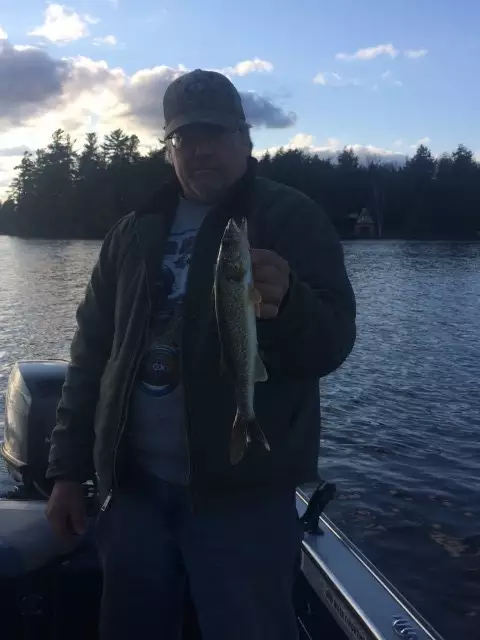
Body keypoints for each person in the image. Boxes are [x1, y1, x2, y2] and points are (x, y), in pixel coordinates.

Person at [45, 69, 356, 640]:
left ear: (245, 138)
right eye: (186, 137)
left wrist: (290, 308)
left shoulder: (290, 216)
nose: (202, 148)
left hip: (243, 499)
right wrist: (67, 470)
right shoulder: (131, 233)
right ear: (169, 149)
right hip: (131, 493)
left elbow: (332, 344)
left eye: (216, 133)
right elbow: (90, 356)